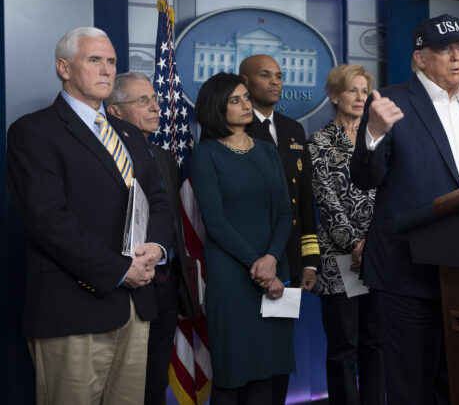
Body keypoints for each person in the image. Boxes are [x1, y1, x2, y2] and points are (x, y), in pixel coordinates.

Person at [5, 27, 172, 405]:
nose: (107, 70)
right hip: (72, 310)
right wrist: (118, 270)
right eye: (94, 60)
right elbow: (47, 219)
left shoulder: (129, 134)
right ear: (64, 68)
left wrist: (156, 249)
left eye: (111, 61)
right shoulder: (34, 131)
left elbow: (159, 201)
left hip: (137, 307)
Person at [350, 14, 459, 405]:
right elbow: (364, 179)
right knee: (411, 387)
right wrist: (372, 133)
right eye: (444, 50)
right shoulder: (389, 101)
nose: (456, 57)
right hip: (408, 270)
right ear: (420, 58)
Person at [190, 72, 294, 405]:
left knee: (268, 368)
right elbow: (216, 222)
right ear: (216, 108)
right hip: (232, 275)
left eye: (246, 97)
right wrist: (257, 263)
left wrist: (272, 259)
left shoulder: (267, 150)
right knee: (234, 372)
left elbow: (283, 213)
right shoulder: (205, 154)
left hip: (275, 270)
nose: (246, 104)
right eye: (235, 100)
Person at [105, 72, 199, 405]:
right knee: (126, 383)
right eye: (143, 101)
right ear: (115, 111)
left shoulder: (164, 158)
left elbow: (171, 222)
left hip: (166, 283)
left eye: (155, 100)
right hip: (128, 283)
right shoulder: (106, 155)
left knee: (155, 379)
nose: (156, 107)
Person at [308, 64, 385, 405]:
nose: (359, 97)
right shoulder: (319, 142)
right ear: (334, 95)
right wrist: (356, 244)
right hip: (340, 260)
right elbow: (326, 201)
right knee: (344, 347)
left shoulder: (379, 140)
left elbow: (391, 194)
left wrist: (375, 244)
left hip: (380, 256)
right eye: (352, 90)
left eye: (364, 91)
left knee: (375, 343)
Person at [240, 54, 320, 295]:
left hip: (292, 252)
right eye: (265, 75)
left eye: (278, 76)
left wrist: (309, 260)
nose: (275, 82)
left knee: (285, 331)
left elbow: (304, 198)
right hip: (253, 257)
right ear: (244, 82)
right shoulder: (234, 128)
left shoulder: (293, 129)